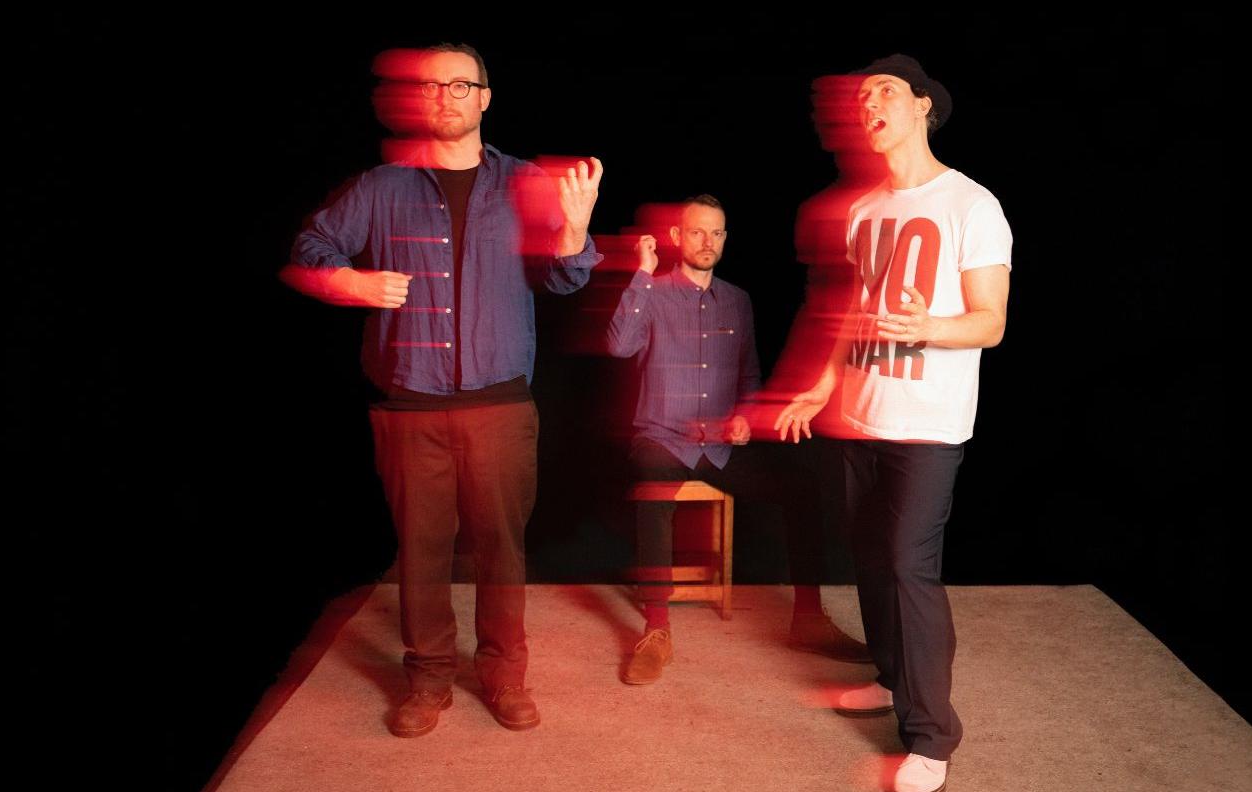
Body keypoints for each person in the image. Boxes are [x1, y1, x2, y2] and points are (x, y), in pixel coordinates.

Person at [280, 43, 604, 736]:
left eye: (461, 84)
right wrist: (352, 282)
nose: (446, 95)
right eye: (431, 86)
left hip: (500, 405)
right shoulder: (378, 187)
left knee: (501, 548)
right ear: (418, 100)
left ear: (485, 97)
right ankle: (427, 680)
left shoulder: (526, 185)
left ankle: (504, 675)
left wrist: (574, 230)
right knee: (422, 551)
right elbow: (309, 252)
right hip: (410, 408)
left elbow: (564, 279)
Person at [775, 55, 1012, 792]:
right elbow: (851, 320)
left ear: (921, 107)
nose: (867, 103)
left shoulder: (972, 204)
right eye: (861, 96)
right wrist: (818, 386)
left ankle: (932, 737)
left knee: (908, 566)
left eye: (883, 92)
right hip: (862, 416)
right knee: (871, 559)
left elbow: (991, 323)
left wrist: (928, 328)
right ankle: (888, 678)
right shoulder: (864, 210)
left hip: (929, 424)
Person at [607, 195, 869, 686]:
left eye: (717, 233)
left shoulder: (738, 300)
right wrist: (641, 274)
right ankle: (657, 628)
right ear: (677, 238)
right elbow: (619, 345)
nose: (707, 241)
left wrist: (746, 416)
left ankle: (808, 617)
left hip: (719, 446)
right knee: (653, 483)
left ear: (724, 240)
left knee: (802, 486)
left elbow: (749, 372)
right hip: (661, 438)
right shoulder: (654, 292)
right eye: (698, 232)